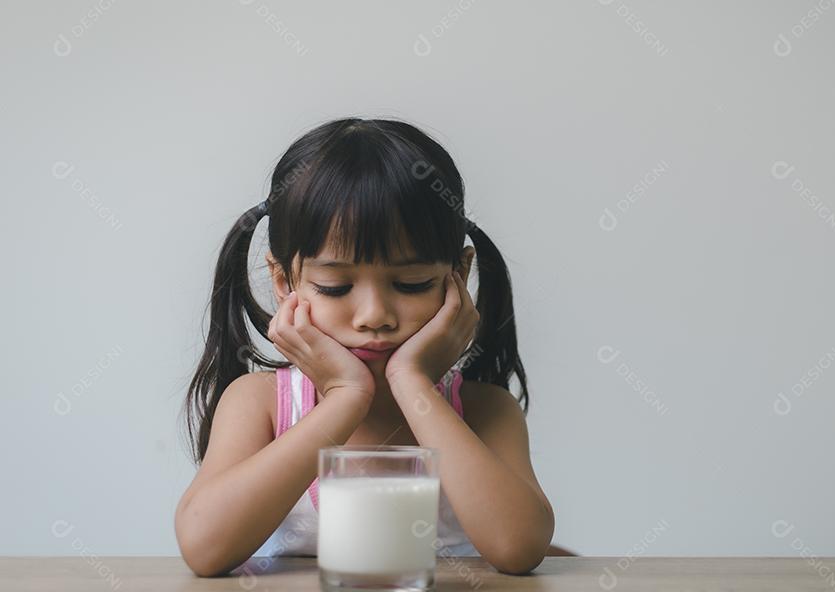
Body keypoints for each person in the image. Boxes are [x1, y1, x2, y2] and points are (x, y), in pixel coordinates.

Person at [175, 118, 560, 577]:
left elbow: (518, 548)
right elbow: (204, 548)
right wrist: (345, 397)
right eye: (336, 287)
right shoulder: (261, 405)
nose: (374, 315)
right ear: (284, 281)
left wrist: (412, 382)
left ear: (457, 275)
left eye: (411, 283)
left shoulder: (483, 412)